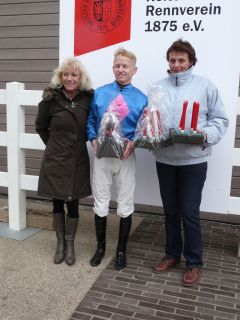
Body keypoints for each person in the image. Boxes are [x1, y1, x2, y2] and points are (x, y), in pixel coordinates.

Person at [152, 39, 229, 286]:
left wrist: (205, 134)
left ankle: (194, 262)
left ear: (191, 62)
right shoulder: (157, 87)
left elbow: (220, 120)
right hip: (165, 159)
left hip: (193, 160)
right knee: (170, 211)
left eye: (181, 60)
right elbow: (151, 118)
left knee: (189, 212)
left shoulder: (205, 86)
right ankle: (172, 254)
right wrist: (151, 133)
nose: (176, 65)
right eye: (172, 60)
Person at [87, 47, 147, 270]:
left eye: (125, 66)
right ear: (113, 68)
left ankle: (121, 251)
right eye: (117, 66)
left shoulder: (141, 98)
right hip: (102, 154)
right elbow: (91, 121)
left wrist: (135, 142)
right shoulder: (100, 93)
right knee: (100, 200)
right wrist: (93, 140)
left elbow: (143, 128)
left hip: (125, 156)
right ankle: (100, 248)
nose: (121, 69)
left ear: (134, 70)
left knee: (125, 202)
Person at [35, 58, 93, 266]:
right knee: (57, 202)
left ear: (80, 78)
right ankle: (60, 244)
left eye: (74, 75)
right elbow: (40, 127)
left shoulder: (88, 99)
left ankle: (70, 244)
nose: (69, 78)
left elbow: (92, 125)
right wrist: (53, 146)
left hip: (77, 159)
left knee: (74, 203)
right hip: (56, 159)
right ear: (60, 77)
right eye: (65, 75)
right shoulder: (50, 99)